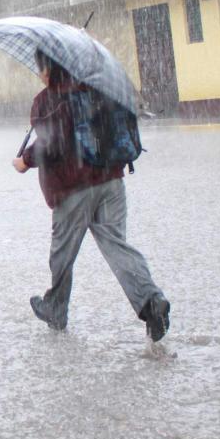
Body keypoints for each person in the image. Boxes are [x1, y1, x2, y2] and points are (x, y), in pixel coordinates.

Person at [12, 50, 170, 341]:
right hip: (111, 180)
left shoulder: (48, 99)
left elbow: (52, 143)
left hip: (73, 188)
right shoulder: (99, 88)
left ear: (47, 69)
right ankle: (151, 302)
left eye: (39, 68)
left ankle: (55, 309)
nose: (39, 74)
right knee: (116, 246)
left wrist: (24, 161)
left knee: (62, 255)